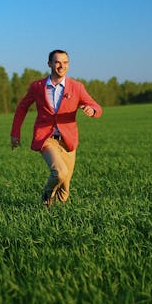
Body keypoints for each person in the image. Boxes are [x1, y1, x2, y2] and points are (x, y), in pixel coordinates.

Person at [11, 49, 102, 207]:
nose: (62, 66)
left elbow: (96, 107)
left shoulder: (76, 87)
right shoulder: (37, 87)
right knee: (59, 172)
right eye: (58, 62)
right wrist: (15, 133)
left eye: (65, 62)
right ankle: (47, 194)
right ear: (50, 64)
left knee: (64, 191)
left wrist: (92, 110)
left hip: (68, 141)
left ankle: (53, 217)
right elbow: (22, 108)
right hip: (46, 139)